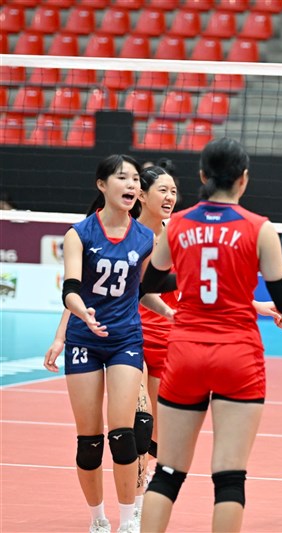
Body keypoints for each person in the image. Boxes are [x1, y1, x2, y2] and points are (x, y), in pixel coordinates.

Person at [139, 138, 282, 532]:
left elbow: (148, 284)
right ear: (243, 180)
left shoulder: (180, 224)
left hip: (185, 351)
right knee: (229, 478)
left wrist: (186, 275)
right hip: (237, 356)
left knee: (167, 472)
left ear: (203, 176)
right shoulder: (259, 228)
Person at [42, 154, 173, 533]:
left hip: (125, 340)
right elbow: (70, 290)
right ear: (102, 185)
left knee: (123, 433)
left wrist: (170, 313)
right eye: (122, 178)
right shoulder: (79, 233)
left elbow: (145, 291)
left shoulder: (146, 237)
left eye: (135, 179)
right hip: (85, 338)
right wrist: (78, 316)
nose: (131, 185)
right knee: (90, 441)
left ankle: (129, 520)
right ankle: (98, 518)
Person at [132, 165, 179, 523]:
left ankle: (146, 480)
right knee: (140, 420)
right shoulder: (126, 234)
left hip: (170, 338)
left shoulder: (177, 234)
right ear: (142, 195)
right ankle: (131, 504)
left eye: (173, 192)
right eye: (162, 190)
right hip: (131, 335)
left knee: (157, 434)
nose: (169, 198)